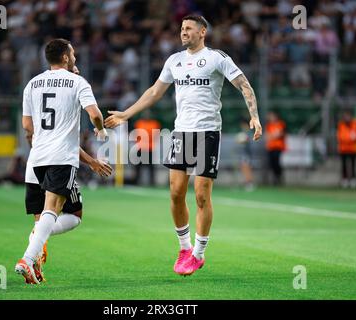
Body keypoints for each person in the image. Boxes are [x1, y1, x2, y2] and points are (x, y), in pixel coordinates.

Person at [105, 14, 262, 276]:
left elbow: (243, 84)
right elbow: (155, 92)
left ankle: (198, 254)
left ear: (203, 32)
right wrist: (125, 114)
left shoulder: (216, 58)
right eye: (181, 28)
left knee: (201, 194)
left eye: (189, 28)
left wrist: (254, 116)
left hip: (208, 132)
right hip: (181, 133)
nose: (183, 32)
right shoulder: (174, 61)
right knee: (176, 192)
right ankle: (184, 248)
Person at [15, 38, 109, 284]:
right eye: (73, 54)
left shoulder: (32, 84)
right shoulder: (78, 82)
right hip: (61, 158)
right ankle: (27, 258)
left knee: (43, 217)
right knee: (59, 211)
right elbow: (95, 114)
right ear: (66, 57)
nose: (75, 58)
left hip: (36, 157)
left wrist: (36, 146)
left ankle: (34, 262)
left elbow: (27, 126)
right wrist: (100, 130)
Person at [133, 110, 161, 186]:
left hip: (149, 148)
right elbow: (136, 135)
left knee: (151, 167)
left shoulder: (154, 124)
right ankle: (136, 181)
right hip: (140, 148)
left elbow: (156, 135)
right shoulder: (139, 123)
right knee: (138, 166)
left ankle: (152, 182)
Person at [337, 110, 356, 188]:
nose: (347, 118)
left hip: (353, 148)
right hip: (343, 148)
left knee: (353, 165)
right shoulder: (341, 125)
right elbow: (340, 136)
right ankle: (345, 180)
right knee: (344, 165)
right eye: (346, 116)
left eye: (348, 116)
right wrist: (349, 139)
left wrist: (352, 139)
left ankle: (353, 180)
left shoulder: (355, 124)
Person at [265, 111, 286, 185]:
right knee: (272, 163)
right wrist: (273, 136)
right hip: (270, 146)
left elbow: (280, 134)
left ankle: (279, 177)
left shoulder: (280, 123)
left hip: (278, 146)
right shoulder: (269, 125)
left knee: (276, 162)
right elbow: (267, 136)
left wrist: (272, 136)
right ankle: (275, 178)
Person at [235, 118, 255, 191]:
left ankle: (250, 183)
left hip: (246, 154)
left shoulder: (248, 132)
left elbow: (246, 141)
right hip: (243, 154)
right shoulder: (244, 132)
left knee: (247, 168)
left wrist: (241, 140)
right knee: (244, 168)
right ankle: (247, 182)